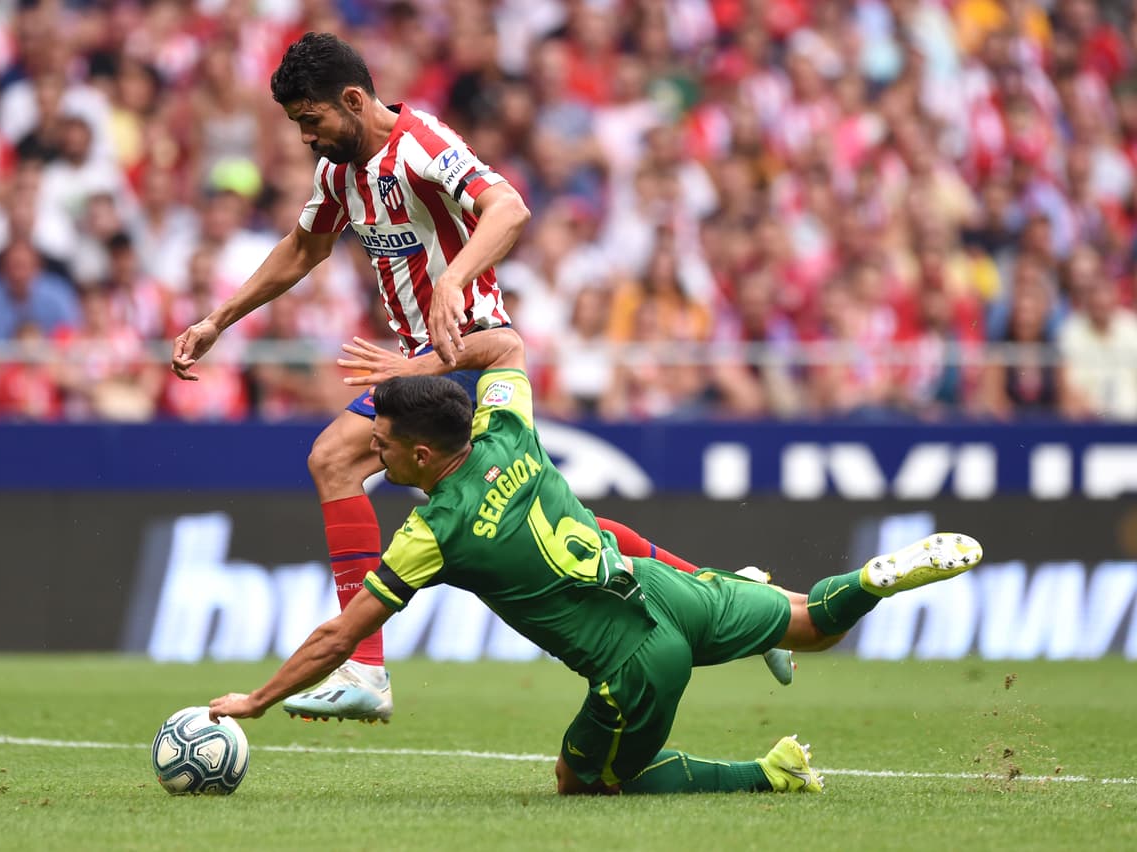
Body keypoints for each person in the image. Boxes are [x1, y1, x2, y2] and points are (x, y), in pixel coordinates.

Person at [170, 32, 783, 723]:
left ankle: (365, 670)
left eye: (310, 120)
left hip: (470, 350)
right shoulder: (342, 174)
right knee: (554, 519)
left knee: (334, 457)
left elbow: (510, 207)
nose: (306, 137)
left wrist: (453, 280)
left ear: (351, 99)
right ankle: (729, 587)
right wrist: (218, 319)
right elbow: (304, 247)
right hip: (419, 361)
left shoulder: (422, 143)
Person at [208, 326, 984, 795]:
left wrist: (261, 698)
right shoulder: (507, 431)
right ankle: (870, 580)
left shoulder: (433, 532)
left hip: (636, 662)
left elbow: (341, 637)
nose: (372, 459)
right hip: (661, 588)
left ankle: (768, 772)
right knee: (814, 624)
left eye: (380, 448)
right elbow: (507, 346)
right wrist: (423, 364)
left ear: (418, 452)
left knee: (582, 784)